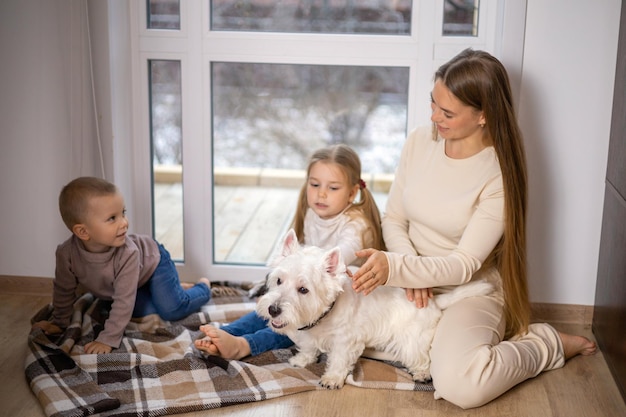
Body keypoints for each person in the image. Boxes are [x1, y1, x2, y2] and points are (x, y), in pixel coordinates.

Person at [350, 49, 597, 409]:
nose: (434, 117)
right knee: (343, 335)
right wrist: (407, 270)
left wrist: (398, 269)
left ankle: (546, 343)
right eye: (432, 103)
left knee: (461, 386)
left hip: (470, 289)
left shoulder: (498, 173)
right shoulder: (420, 141)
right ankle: (442, 342)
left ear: (483, 116)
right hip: (410, 280)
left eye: (447, 112)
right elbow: (395, 217)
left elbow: (465, 263)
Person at [194, 144, 385, 359]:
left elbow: (343, 254)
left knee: (291, 327)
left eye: (332, 188)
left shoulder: (356, 225)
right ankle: (226, 333)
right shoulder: (314, 214)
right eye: (314, 184)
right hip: (308, 294)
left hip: (341, 308)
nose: (321, 193)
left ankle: (243, 345)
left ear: (351, 193)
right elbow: (295, 264)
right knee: (269, 309)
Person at [32, 176, 212, 354]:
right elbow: (64, 289)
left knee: (171, 309)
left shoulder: (128, 253)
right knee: (138, 312)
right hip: (132, 281)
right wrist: (59, 322)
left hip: (154, 262)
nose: (124, 223)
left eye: (123, 213)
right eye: (112, 218)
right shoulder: (66, 254)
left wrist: (108, 338)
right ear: (83, 231)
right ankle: (170, 289)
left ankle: (202, 287)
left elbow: (123, 299)